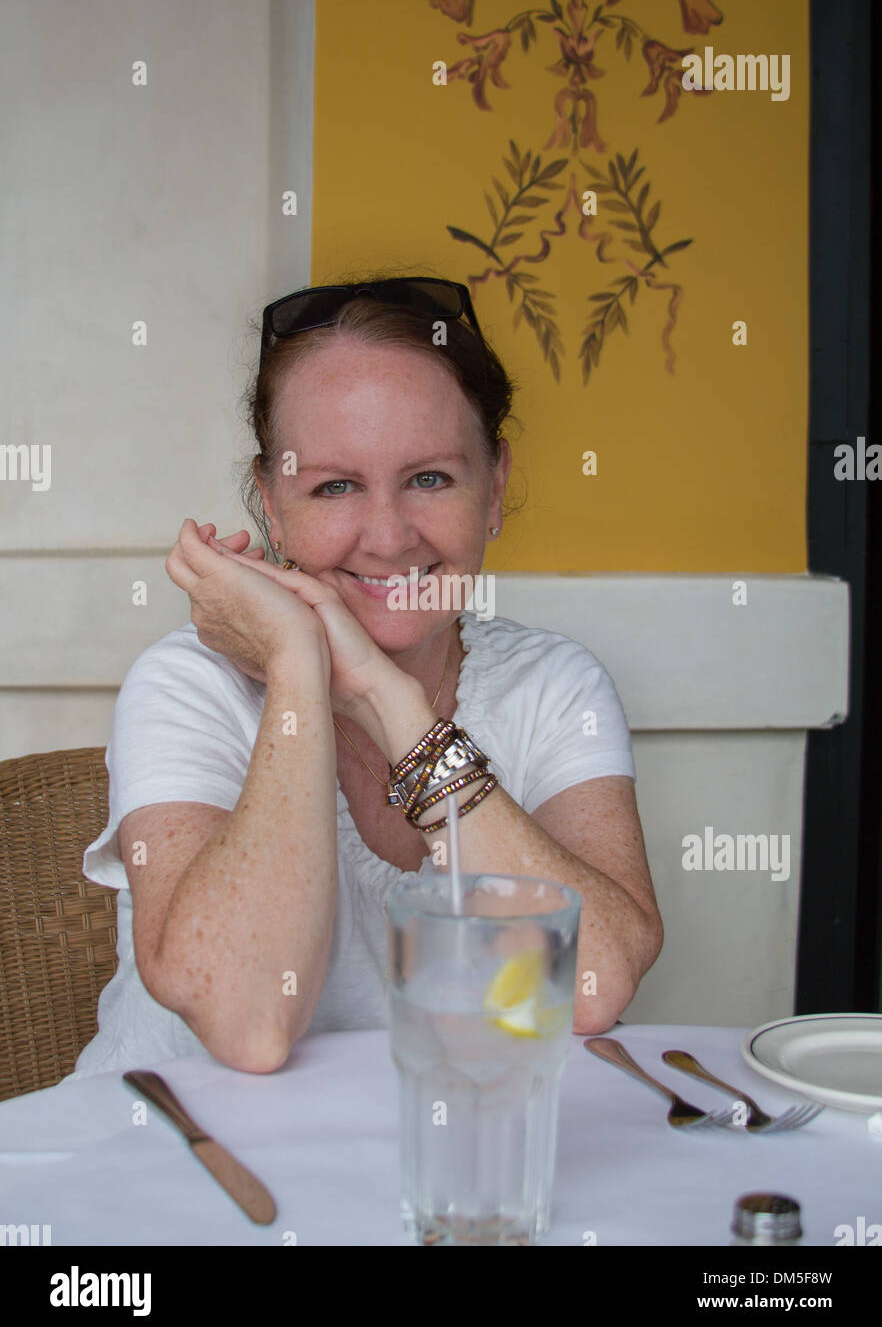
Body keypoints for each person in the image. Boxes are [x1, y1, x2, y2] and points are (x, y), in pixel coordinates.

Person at [72, 276, 663, 1079]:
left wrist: (393, 709)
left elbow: (592, 985)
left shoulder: (555, 687)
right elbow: (249, 1023)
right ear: (272, 508)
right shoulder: (184, 687)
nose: (388, 537)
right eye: (334, 486)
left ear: (494, 487)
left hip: (442, 1172)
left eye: (429, 478)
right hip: (188, 1166)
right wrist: (294, 667)